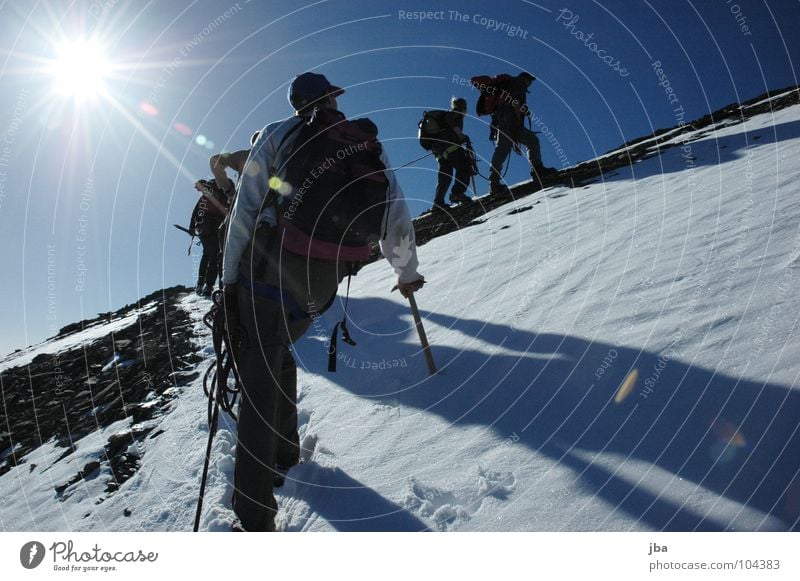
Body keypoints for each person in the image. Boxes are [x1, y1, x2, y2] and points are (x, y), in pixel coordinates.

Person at [221, 72, 424, 532]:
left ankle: (253, 516)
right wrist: (406, 274)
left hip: (268, 270)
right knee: (281, 349)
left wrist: (229, 282)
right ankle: (286, 452)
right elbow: (395, 211)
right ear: (334, 98)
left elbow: (246, 209)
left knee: (257, 374)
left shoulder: (276, 134)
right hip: (322, 280)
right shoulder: (362, 142)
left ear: (297, 104)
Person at [488, 72, 555, 194]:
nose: (530, 84)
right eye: (530, 81)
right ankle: (494, 183)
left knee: (507, 148)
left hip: (505, 122)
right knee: (506, 149)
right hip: (509, 123)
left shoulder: (511, 84)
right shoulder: (519, 84)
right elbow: (515, 103)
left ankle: (494, 182)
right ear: (526, 79)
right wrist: (521, 113)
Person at [432, 97, 475, 212]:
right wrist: (461, 136)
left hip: (439, 150)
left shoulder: (444, 117)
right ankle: (458, 193)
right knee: (464, 167)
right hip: (450, 146)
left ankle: (438, 202)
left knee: (445, 175)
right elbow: (451, 122)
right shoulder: (456, 113)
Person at [189, 179, 228, 296]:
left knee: (207, 254)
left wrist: (192, 227)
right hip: (215, 228)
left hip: (203, 229)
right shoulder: (223, 194)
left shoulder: (206, 196)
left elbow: (196, 211)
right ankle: (210, 285)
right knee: (216, 255)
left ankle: (201, 283)